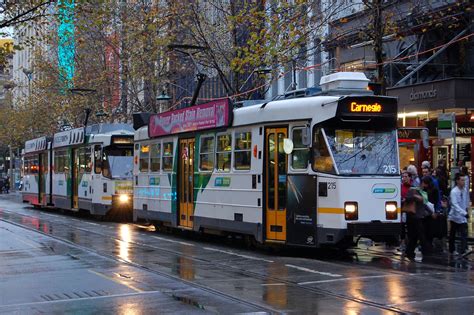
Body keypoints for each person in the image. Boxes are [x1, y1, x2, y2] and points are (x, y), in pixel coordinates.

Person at [404, 186, 429, 261]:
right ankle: (424, 250)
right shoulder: (412, 191)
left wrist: (430, 212)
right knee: (418, 235)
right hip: (413, 217)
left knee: (415, 235)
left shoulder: (423, 193)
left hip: (418, 216)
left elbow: (425, 204)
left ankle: (410, 251)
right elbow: (407, 199)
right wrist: (415, 196)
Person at [448, 173, 469, 256]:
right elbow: (455, 204)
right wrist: (464, 213)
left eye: (464, 180)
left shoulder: (464, 190)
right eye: (462, 180)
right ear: (457, 181)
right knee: (453, 233)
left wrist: (466, 209)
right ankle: (451, 249)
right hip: (455, 216)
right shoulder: (454, 192)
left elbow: (465, 200)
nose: (463, 182)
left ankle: (464, 250)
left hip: (462, 216)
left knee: (464, 233)